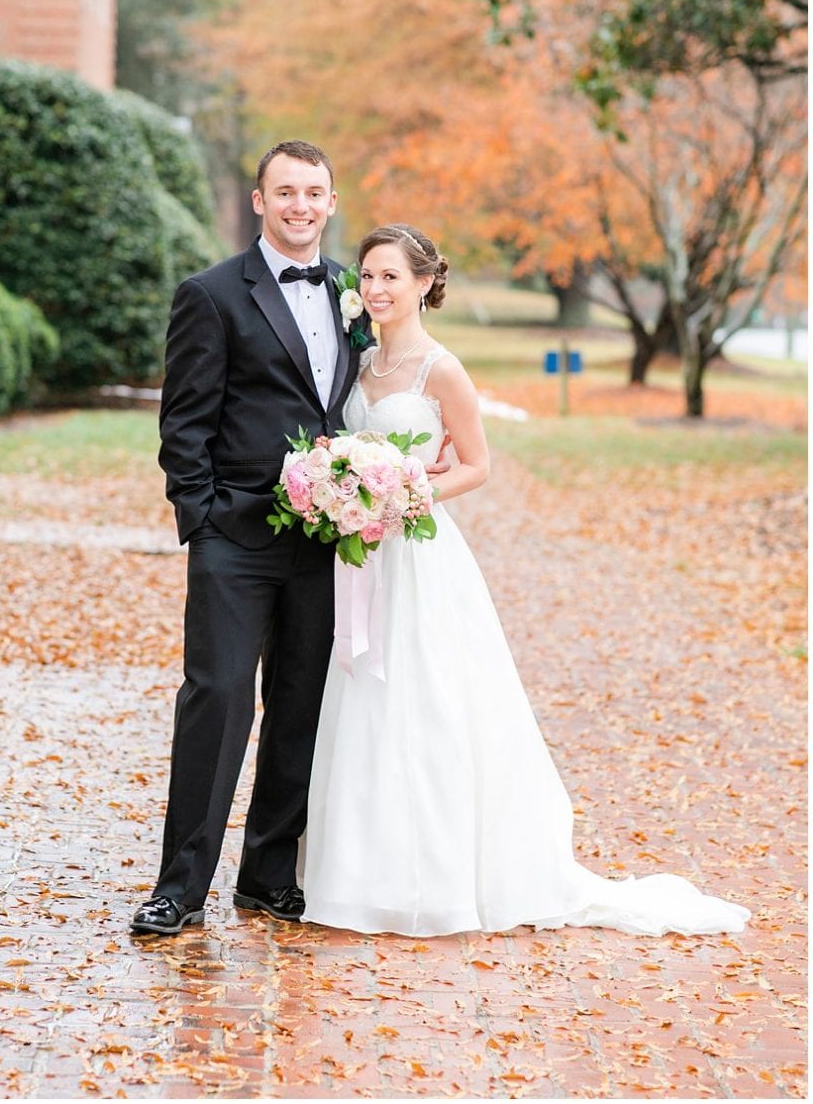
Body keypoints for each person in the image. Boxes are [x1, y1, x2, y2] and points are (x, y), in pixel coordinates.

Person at [299, 224, 750, 937]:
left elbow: (477, 465)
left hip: (417, 551)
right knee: (363, 695)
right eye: (369, 275)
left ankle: (439, 877)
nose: (377, 289)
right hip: (361, 552)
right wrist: (339, 481)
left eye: (392, 276)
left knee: (427, 698)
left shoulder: (438, 369)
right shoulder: (356, 363)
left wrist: (405, 491)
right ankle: (358, 875)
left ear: (423, 284)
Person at [138, 140, 373, 936]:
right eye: (286, 191)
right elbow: (184, 422)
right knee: (219, 699)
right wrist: (202, 517)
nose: (301, 205)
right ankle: (180, 887)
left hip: (324, 540)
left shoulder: (352, 294)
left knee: (300, 704)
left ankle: (269, 876)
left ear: (331, 203)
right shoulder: (209, 294)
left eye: (314, 192)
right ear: (259, 201)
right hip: (234, 538)